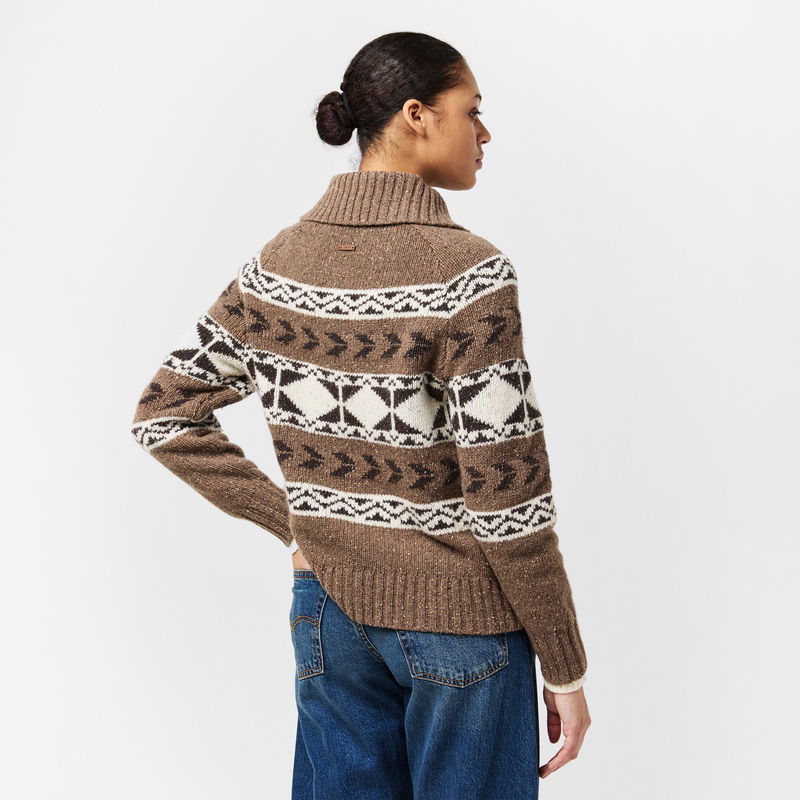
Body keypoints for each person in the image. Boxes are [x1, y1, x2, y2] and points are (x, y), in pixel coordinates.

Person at [131, 31, 591, 800]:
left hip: (327, 613)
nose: (484, 134)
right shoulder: (469, 275)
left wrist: (302, 527)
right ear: (416, 114)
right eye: (471, 111)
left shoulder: (276, 265)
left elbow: (165, 413)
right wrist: (565, 665)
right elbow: (508, 499)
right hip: (461, 624)